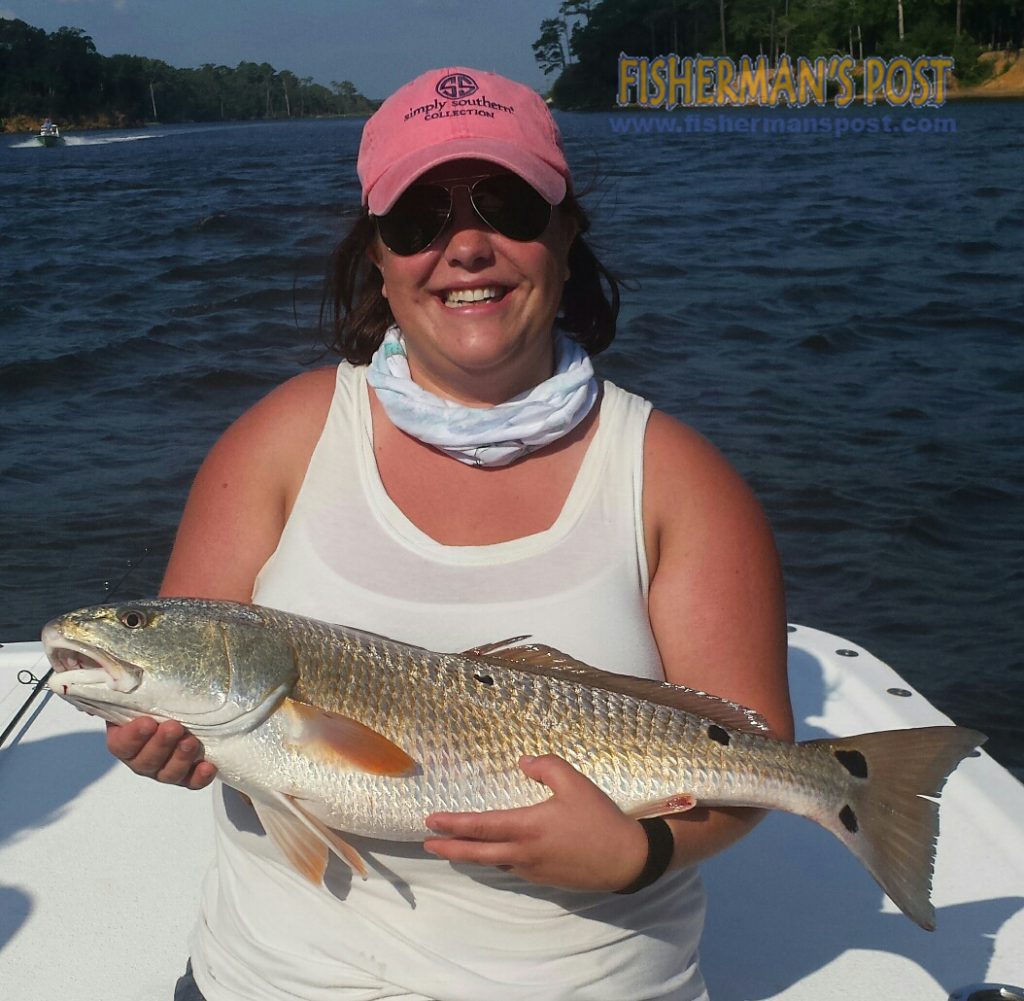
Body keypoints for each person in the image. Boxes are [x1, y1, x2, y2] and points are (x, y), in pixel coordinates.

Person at [106, 66, 793, 1001]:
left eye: (506, 204)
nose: (465, 247)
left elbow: (764, 763)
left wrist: (640, 850)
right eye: (417, 221)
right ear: (379, 258)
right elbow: (197, 675)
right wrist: (168, 741)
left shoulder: (680, 480)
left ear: (565, 230)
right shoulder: (278, 439)